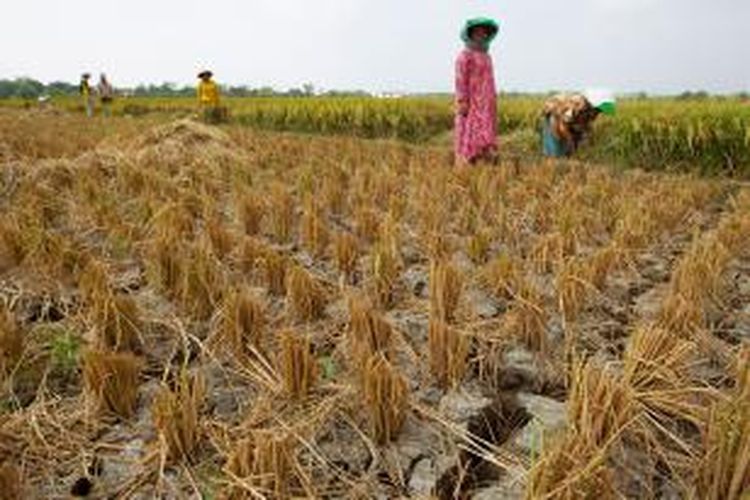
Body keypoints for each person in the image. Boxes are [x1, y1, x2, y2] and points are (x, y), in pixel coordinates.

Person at [454, 17, 499, 167]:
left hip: (486, 100)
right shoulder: (464, 56)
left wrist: (492, 99)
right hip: (472, 100)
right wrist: (462, 100)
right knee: (469, 129)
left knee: (486, 129)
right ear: (471, 35)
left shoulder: (487, 57)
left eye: (484, 33)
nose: (481, 36)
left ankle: (484, 159)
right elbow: (460, 79)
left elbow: (490, 80)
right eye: (477, 33)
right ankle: (467, 160)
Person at [541, 90, 616, 158]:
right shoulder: (575, 106)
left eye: (601, 111)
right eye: (599, 110)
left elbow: (585, 126)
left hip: (566, 119)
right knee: (556, 150)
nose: (599, 113)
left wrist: (582, 140)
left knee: (570, 149)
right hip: (554, 113)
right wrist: (570, 141)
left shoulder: (591, 111)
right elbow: (562, 126)